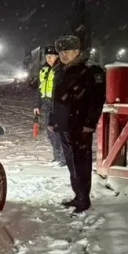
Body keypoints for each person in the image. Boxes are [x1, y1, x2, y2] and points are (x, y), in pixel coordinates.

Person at [48, 35, 105, 214]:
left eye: (67, 51)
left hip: (80, 125)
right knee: (71, 163)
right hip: (63, 124)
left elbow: (97, 99)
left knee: (81, 163)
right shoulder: (59, 70)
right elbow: (55, 98)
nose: (63, 55)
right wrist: (52, 118)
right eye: (60, 52)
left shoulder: (90, 70)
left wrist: (90, 123)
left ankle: (84, 199)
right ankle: (77, 195)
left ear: (77, 51)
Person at [33, 46, 65, 166]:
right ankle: (56, 156)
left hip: (58, 105)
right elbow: (40, 89)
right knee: (51, 133)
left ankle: (63, 158)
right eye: (47, 56)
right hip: (47, 105)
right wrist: (37, 105)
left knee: (60, 132)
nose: (49, 58)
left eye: (51, 56)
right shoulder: (44, 70)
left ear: (57, 57)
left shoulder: (61, 70)